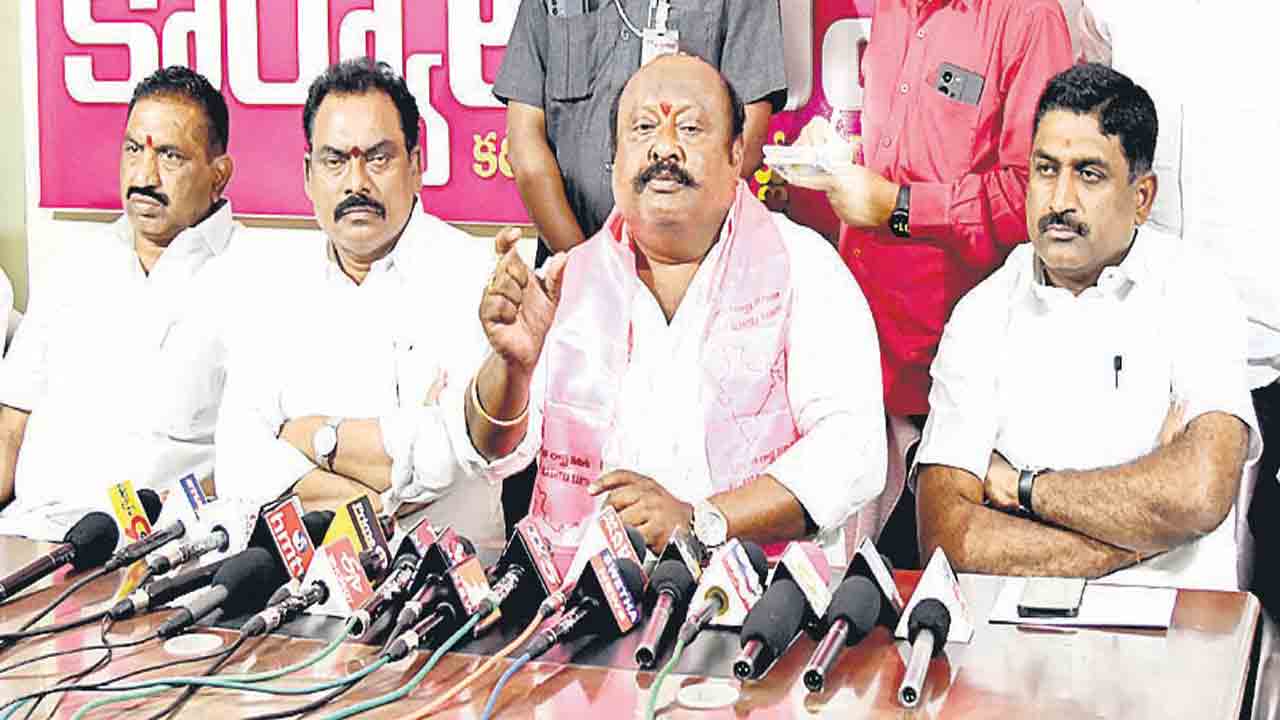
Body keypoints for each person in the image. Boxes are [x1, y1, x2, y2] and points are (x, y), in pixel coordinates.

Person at [459, 54, 887, 566]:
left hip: (755, 598)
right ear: (615, 159)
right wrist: (512, 366)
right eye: (643, 128)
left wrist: (702, 520)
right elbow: (491, 449)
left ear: (736, 154)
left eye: (689, 127)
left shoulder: (804, 267)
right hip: (587, 591)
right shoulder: (566, 282)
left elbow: (853, 450)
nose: (664, 147)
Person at [914, 64, 1259, 590]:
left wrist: (1021, 488)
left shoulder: (1194, 292)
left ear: (1142, 197)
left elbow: (1198, 492)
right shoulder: (982, 313)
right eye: (1045, 169)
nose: (1059, 201)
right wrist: (1144, 534)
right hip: (1013, 627)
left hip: (1172, 619)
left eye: (1089, 174)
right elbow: (949, 539)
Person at [781, 0, 1074, 567]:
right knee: (856, 587)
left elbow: (1035, 194)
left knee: (943, 584)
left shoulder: (1030, 18)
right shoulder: (894, 9)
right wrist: (840, 155)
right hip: (867, 349)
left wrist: (899, 206)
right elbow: (912, 153)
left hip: (953, 368)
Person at [214, 59, 504, 545]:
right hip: (304, 574)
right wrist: (368, 507)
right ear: (308, 174)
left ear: (416, 165)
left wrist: (313, 438)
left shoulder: (476, 277)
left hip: (448, 575)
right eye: (335, 161)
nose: (356, 183)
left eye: (378, 158)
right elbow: (239, 463)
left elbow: (448, 458)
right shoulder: (272, 287)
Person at [0, 66, 240, 539]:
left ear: (219, 175)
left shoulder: (252, 279)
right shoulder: (73, 265)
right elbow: (11, 429)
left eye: (170, 156)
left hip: (151, 554)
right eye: (133, 150)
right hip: (25, 535)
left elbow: (257, 461)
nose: (144, 175)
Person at [494, 0, 787, 260]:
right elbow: (525, 145)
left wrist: (672, 265)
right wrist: (584, 271)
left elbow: (746, 140)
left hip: (695, 277)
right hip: (567, 267)